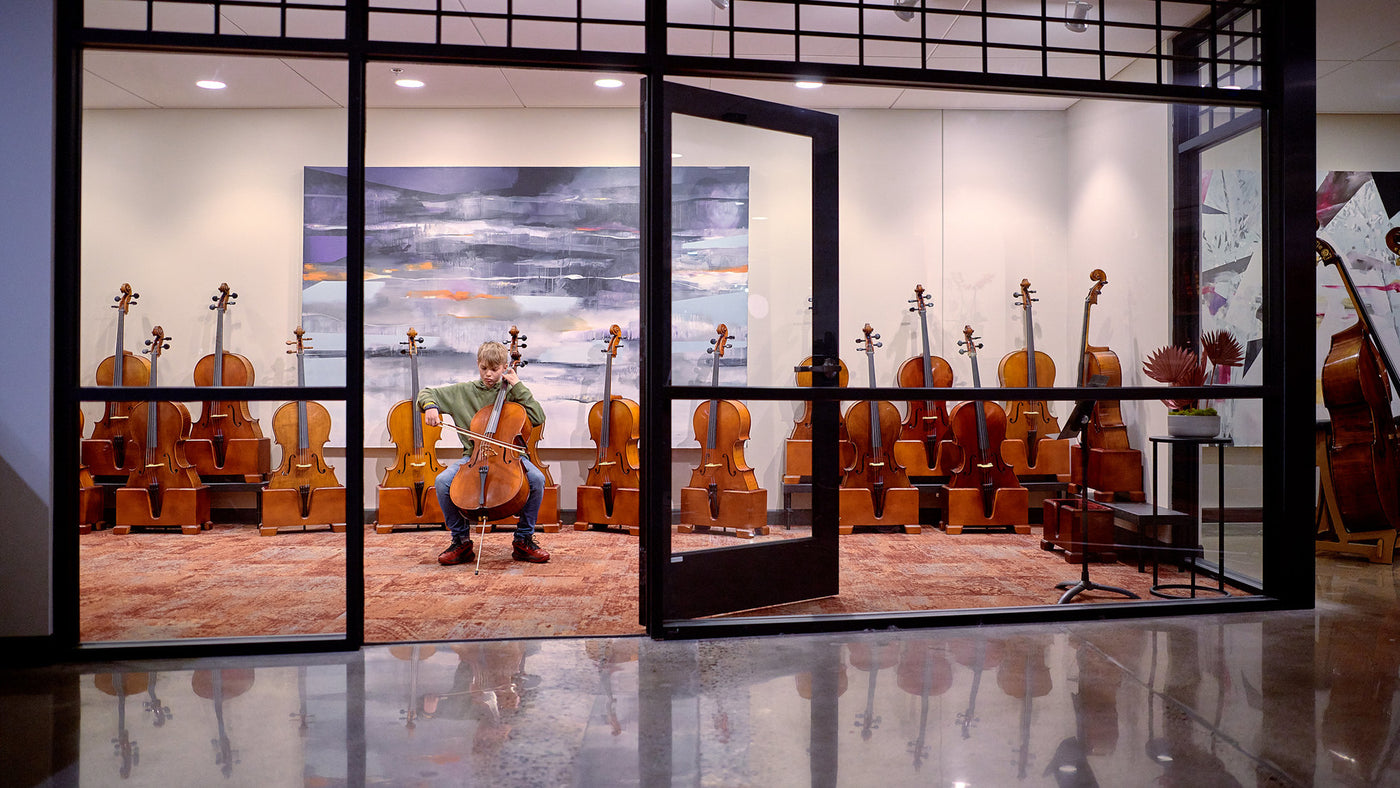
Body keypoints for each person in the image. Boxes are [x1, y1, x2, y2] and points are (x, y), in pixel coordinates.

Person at [418, 340, 550, 565]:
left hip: (511, 457)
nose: (488, 374)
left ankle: (523, 540)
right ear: (478, 365)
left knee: (536, 479)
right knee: (442, 482)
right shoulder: (463, 391)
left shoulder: (513, 391)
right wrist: (430, 406)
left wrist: (518, 386)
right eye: (484, 368)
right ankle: (460, 541)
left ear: (504, 367)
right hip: (473, 456)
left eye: (495, 369)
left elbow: (538, 417)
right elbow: (426, 392)